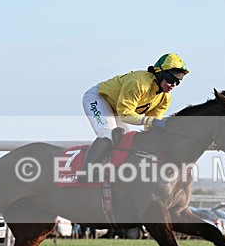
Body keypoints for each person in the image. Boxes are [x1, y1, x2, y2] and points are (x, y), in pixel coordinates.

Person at [79, 53, 189, 181]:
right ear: (159, 74)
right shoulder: (139, 83)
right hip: (98, 98)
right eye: (170, 79)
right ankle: (86, 173)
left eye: (177, 82)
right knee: (108, 134)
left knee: (126, 141)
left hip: (116, 108)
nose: (173, 85)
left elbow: (149, 126)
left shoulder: (165, 97)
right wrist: (154, 122)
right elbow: (126, 115)